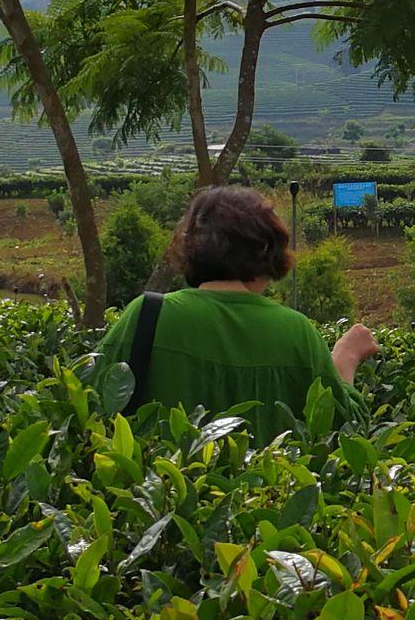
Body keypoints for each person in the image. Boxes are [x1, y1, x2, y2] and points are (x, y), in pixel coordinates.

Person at [96, 185, 378, 438]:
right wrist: (346, 357)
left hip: (159, 493)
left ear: (190, 247)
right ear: (269, 250)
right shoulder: (296, 333)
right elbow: (343, 431)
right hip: (268, 496)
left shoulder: (148, 316)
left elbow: (85, 407)